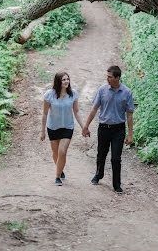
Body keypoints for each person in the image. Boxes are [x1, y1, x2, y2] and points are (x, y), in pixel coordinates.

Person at [82, 65, 134, 194]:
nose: (107, 79)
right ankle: (98, 175)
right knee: (101, 154)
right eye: (107, 76)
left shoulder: (127, 92)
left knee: (116, 158)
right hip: (104, 128)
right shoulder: (102, 90)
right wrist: (86, 126)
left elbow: (129, 114)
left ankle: (117, 184)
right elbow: (94, 109)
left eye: (110, 77)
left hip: (118, 129)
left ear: (117, 78)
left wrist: (130, 134)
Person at [41, 72, 84, 186]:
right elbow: (45, 114)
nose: (66, 81)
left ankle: (57, 176)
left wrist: (83, 127)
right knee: (55, 153)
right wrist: (42, 131)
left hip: (67, 127)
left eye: (68, 79)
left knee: (62, 152)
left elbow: (77, 111)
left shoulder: (73, 94)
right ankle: (60, 169)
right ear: (58, 81)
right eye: (64, 79)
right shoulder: (49, 95)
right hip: (53, 127)